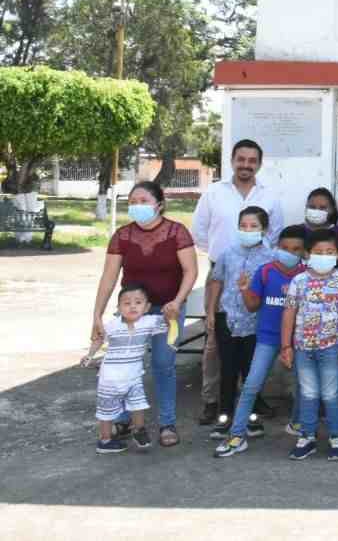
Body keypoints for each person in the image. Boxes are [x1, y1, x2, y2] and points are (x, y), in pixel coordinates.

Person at [92, 181, 197, 447]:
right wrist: (97, 315)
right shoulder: (122, 236)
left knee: (163, 365)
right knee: (124, 365)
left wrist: (177, 301)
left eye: (143, 201)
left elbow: (191, 271)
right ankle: (125, 418)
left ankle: (167, 423)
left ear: (159, 204)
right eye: (133, 201)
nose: (137, 206)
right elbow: (108, 277)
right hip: (131, 313)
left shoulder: (177, 232)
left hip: (167, 311)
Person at [192, 139, 284, 426]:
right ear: (232, 160)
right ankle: (212, 401)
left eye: (251, 160)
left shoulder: (269, 196)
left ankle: (253, 398)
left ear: (259, 163)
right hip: (220, 273)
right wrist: (224, 257)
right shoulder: (214, 193)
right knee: (215, 344)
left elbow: (276, 234)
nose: (246, 164)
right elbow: (200, 231)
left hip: (258, 278)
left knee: (253, 343)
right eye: (240, 159)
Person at [214, 225, 308, 457]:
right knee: (251, 386)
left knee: (303, 387)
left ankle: (298, 424)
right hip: (267, 338)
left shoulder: (307, 274)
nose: (289, 252)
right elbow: (252, 306)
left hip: (298, 341)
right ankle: (237, 435)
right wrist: (245, 290)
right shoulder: (266, 271)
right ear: (277, 247)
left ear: (304, 252)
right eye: (285, 248)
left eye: (296, 249)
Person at [280, 229, 338, 461]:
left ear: (337, 253)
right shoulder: (299, 281)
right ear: (308, 254)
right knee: (308, 394)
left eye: (329, 251)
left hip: (331, 347)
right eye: (319, 252)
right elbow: (289, 313)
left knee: (331, 394)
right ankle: (307, 437)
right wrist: (286, 346)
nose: (324, 255)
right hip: (303, 348)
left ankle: (335, 438)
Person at [206, 205, 277, 439]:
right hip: (228, 318)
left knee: (251, 370)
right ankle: (224, 414)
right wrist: (210, 312)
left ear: (264, 230)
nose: (247, 230)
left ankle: (252, 416)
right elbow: (216, 281)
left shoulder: (271, 258)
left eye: (253, 226)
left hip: (255, 323)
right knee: (227, 368)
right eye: (243, 226)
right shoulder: (228, 253)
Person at [83, 284, 173, 454]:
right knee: (107, 411)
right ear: (118, 308)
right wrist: (89, 355)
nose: (133, 306)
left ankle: (139, 430)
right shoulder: (112, 326)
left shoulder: (150, 322)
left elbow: (168, 323)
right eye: (126, 303)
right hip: (110, 377)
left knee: (137, 404)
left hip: (133, 376)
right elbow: (99, 339)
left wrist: (170, 313)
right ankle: (105, 440)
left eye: (138, 302)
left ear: (146, 307)